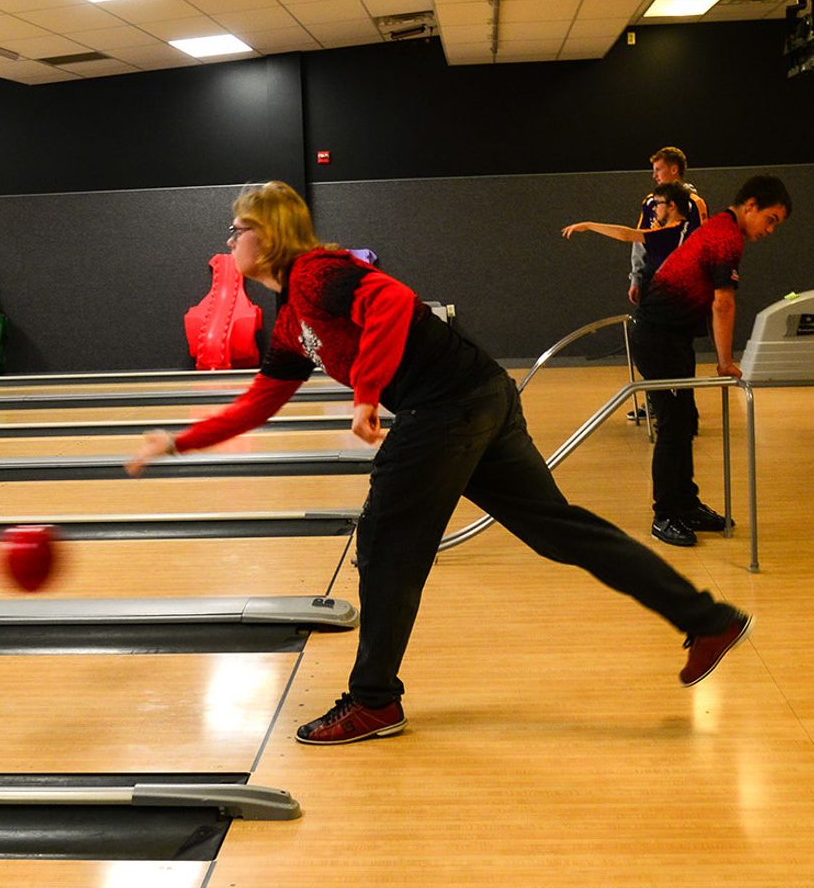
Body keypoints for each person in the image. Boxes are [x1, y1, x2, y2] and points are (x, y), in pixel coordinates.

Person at [126, 181, 754, 746]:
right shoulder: (291, 319)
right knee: (557, 529)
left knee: (383, 542)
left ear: (266, 235)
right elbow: (262, 400)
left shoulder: (316, 274)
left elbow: (393, 301)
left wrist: (367, 395)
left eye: (236, 229)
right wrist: (178, 442)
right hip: (476, 394)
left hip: (448, 405)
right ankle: (707, 618)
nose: (230, 240)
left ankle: (374, 700)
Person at [629, 175, 792, 549]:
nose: (770, 230)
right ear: (750, 205)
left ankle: (685, 504)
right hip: (657, 338)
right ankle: (665, 514)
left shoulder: (723, 230)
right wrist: (725, 362)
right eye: (771, 219)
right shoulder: (725, 236)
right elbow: (723, 303)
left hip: (674, 338)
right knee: (673, 426)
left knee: (684, 423)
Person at [564, 180, 693, 290]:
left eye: (658, 204)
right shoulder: (685, 229)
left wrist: (589, 225)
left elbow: (625, 234)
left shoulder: (671, 234)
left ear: (671, 206)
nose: (654, 209)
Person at [629, 148, 708, 307]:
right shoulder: (650, 202)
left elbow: (703, 245)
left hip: (683, 283)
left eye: (659, 169)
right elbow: (639, 240)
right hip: (652, 278)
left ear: (674, 169)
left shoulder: (694, 204)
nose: (654, 176)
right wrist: (636, 278)